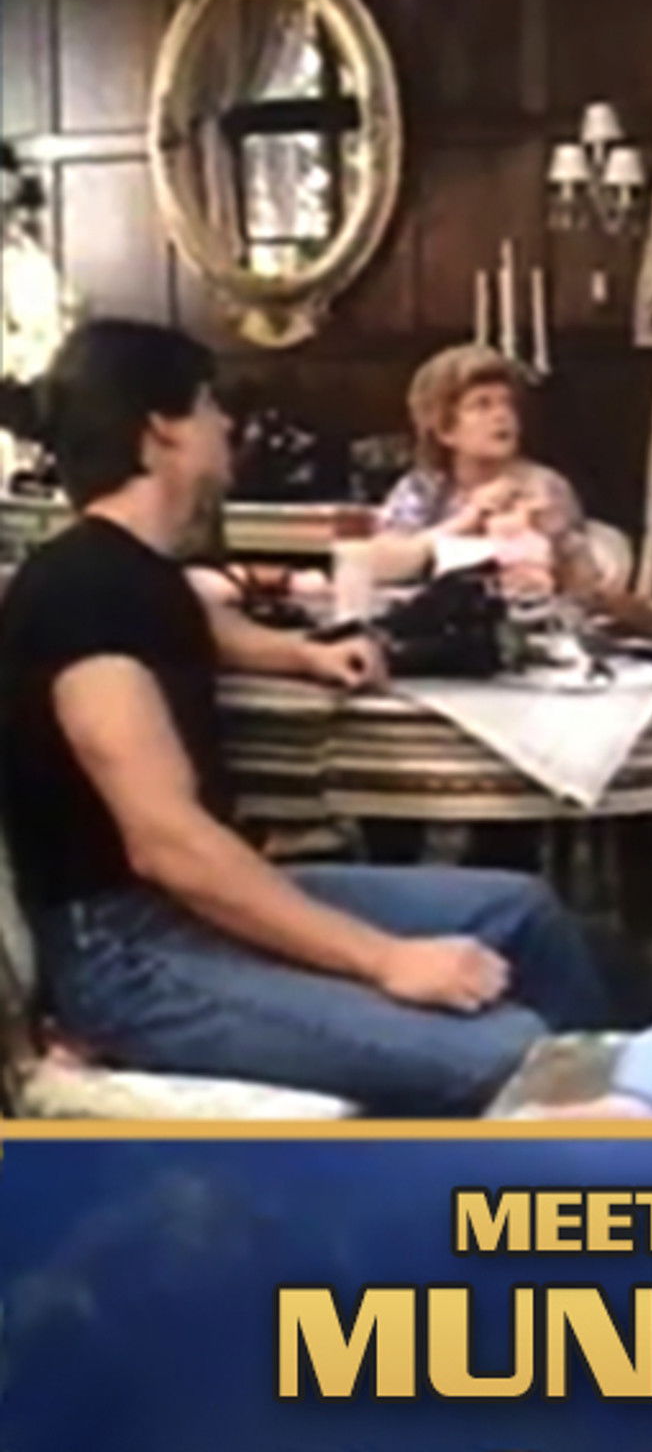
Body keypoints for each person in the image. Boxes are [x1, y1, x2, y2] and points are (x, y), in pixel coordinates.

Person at [0, 320, 609, 1116]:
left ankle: (624, 1128)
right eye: (208, 404)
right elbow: (167, 845)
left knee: (523, 912)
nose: (227, 423)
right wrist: (386, 959)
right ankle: (537, 1157)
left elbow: (197, 624)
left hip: (186, 906)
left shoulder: (134, 570)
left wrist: (303, 655)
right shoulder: (79, 594)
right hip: (127, 949)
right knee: (507, 1048)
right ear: (161, 432)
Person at [369, 344, 600, 602]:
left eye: (507, 403)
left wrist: (560, 540)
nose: (502, 415)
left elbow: (588, 590)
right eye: (482, 405)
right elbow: (378, 565)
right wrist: (465, 522)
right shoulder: (423, 487)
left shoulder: (546, 486)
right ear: (446, 430)